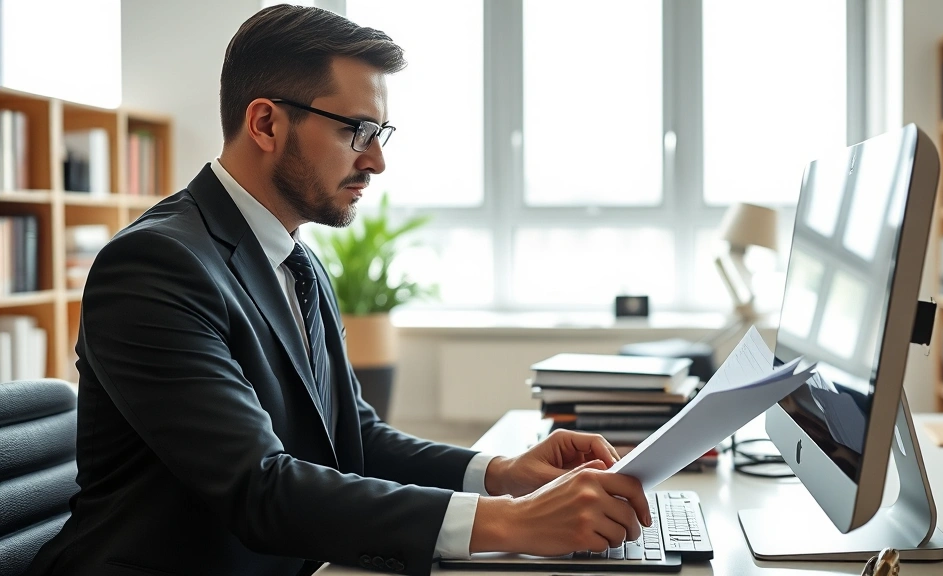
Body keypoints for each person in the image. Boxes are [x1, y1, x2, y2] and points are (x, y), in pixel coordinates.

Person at [28, 6, 649, 576]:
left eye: (382, 132)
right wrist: (513, 524)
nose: (376, 160)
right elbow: (258, 488)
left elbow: (351, 437)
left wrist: (501, 475)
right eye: (357, 129)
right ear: (266, 122)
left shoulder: (294, 257)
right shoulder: (154, 265)